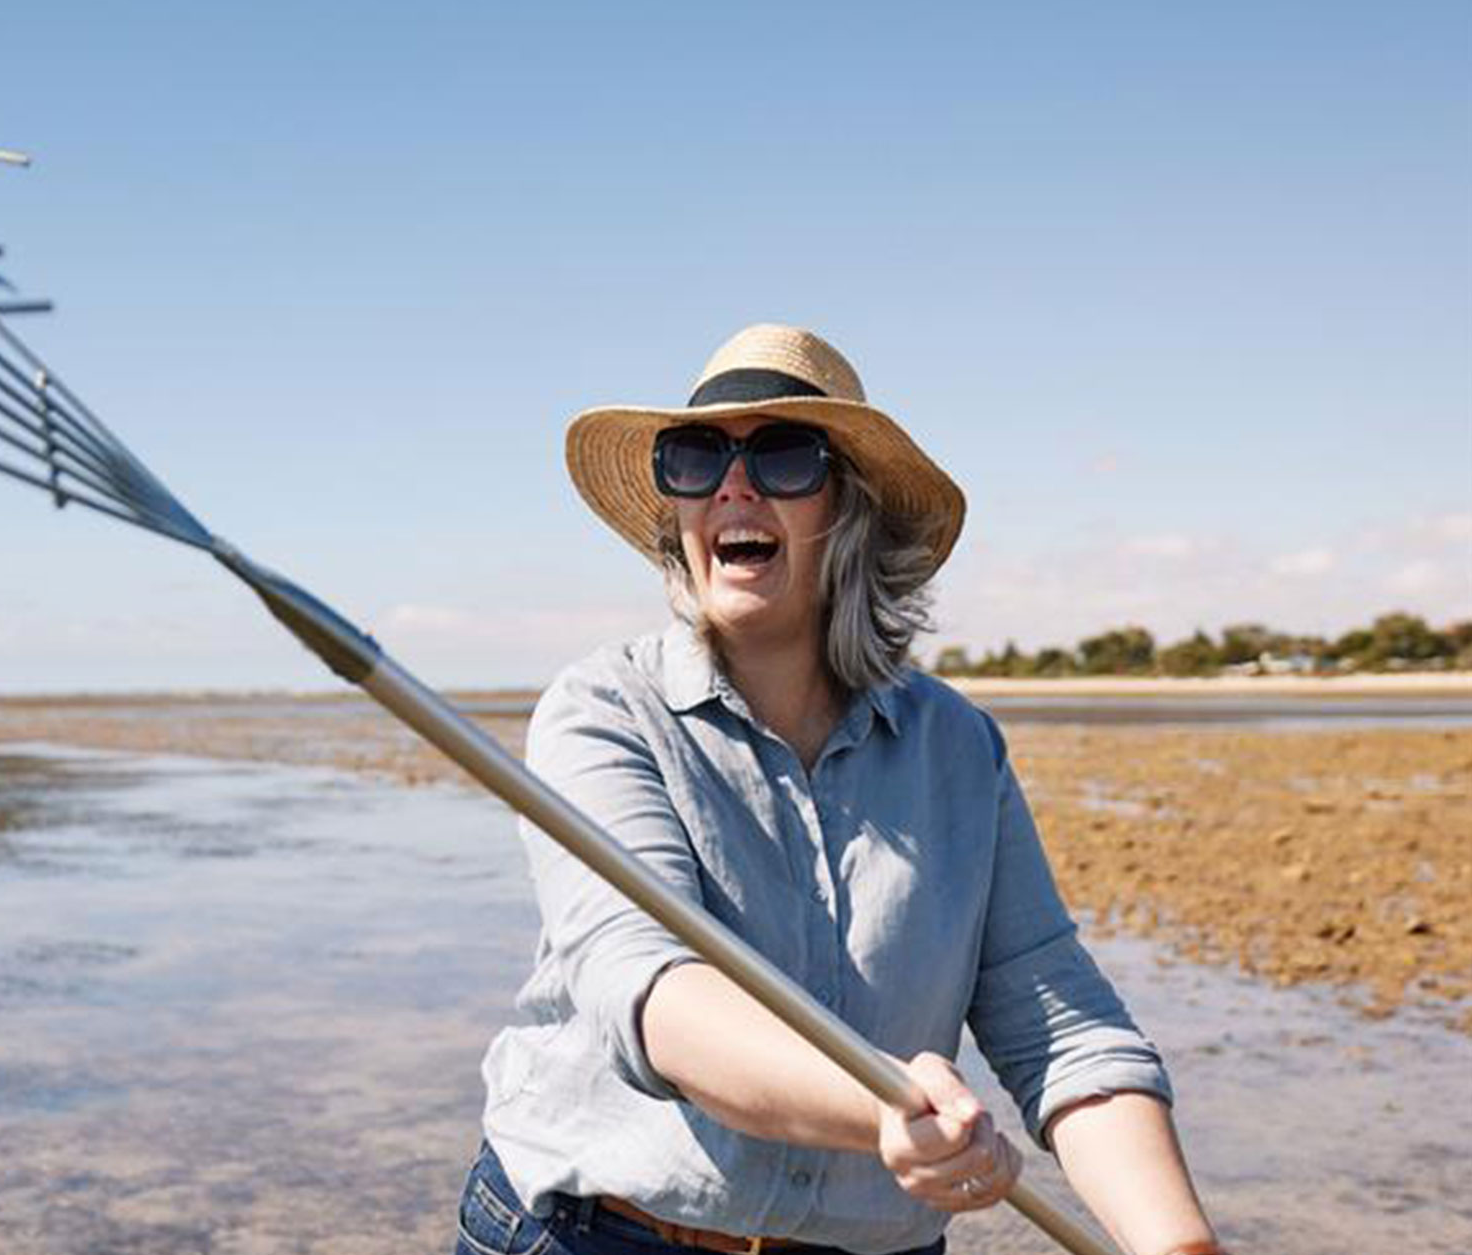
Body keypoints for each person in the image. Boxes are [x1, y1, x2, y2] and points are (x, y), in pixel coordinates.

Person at [455, 325, 1225, 1255]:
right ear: (678, 515)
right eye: (697, 456)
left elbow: (1056, 1017)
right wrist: (883, 1109)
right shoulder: (603, 712)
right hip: (598, 1234)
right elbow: (650, 989)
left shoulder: (958, 748)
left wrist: (1179, 1244)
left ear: (852, 511)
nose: (733, 485)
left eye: (783, 455)